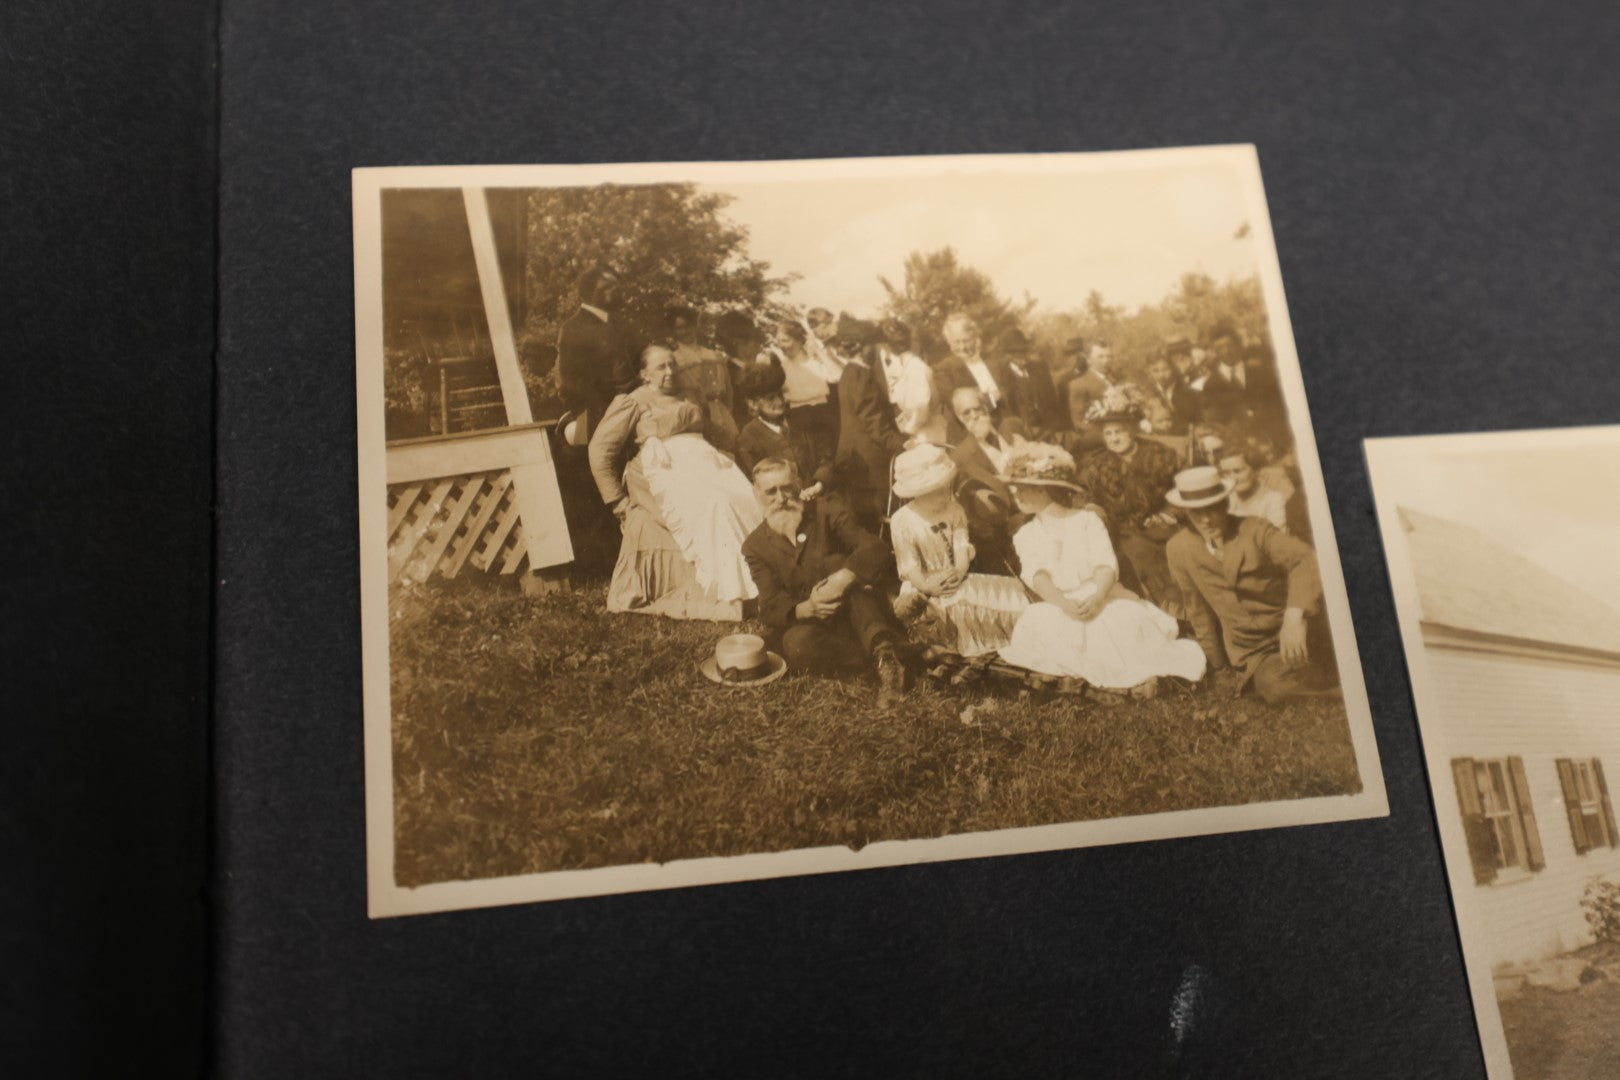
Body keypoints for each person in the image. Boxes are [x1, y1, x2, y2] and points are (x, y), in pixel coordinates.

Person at [996, 443, 1206, 693]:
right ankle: (1086, 677)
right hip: (1060, 603)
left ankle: (1127, 674)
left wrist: (1097, 597)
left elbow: (1104, 564)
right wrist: (1062, 603)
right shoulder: (1026, 533)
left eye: (1022, 489)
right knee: (1044, 628)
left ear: (1043, 490)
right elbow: (1037, 575)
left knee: (1117, 626)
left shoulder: (1085, 520)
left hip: (1101, 596)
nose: (1016, 495)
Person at [588, 345, 763, 620]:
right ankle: (731, 589)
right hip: (661, 471)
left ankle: (762, 585)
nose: (670, 372)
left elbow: (710, 432)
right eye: (661, 367)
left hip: (702, 463)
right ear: (644, 373)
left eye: (673, 366)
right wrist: (617, 500)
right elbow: (600, 449)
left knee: (747, 497)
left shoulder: (691, 395)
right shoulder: (634, 401)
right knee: (716, 504)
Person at [742, 457, 909, 707]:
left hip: (860, 611)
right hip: (818, 627)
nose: (781, 498)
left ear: (799, 483)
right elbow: (769, 604)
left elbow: (874, 547)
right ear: (756, 494)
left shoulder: (824, 510)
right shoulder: (755, 546)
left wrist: (845, 576)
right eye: (771, 491)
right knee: (795, 643)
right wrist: (807, 608)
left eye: (787, 487)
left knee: (835, 563)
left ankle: (887, 664)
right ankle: (900, 656)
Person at [1164, 467, 1339, 703]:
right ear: (1185, 511)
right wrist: (1217, 667)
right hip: (1253, 649)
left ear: (1225, 502)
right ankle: (1328, 681)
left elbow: (1305, 559)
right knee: (1274, 686)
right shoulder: (1178, 548)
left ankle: (1334, 677)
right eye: (1197, 512)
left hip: (1295, 629)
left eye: (1213, 508)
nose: (1206, 519)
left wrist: (1294, 617)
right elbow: (1197, 609)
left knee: (1323, 660)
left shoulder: (1254, 529)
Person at [887, 444, 1028, 657]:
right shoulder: (902, 520)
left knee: (1008, 592)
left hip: (955, 576)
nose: (946, 494)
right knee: (956, 603)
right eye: (937, 491)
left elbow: (961, 547)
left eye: (947, 487)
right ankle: (953, 638)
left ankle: (1027, 626)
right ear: (918, 494)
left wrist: (959, 572)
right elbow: (909, 565)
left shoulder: (954, 510)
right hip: (921, 586)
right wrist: (928, 585)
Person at [1077, 389, 1185, 618]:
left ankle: (1189, 606)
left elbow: (1183, 487)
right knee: (1137, 552)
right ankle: (1167, 613)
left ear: (1133, 430)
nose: (1114, 438)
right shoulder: (1098, 466)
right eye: (1109, 434)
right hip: (1124, 532)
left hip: (1166, 524)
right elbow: (1087, 497)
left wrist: (1168, 513)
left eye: (1120, 432)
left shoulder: (1160, 454)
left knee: (1179, 549)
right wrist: (1093, 510)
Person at [829, 316, 908, 529]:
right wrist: (904, 445)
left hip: (856, 460)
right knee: (887, 519)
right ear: (862, 347)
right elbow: (874, 424)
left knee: (872, 521)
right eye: (874, 345)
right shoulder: (861, 375)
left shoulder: (847, 374)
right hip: (871, 462)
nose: (878, 351)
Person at [948, 386, 1028, 574]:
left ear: (986, 407)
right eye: (966, 412)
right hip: (1008, 522)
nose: (974, 415)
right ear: (960, 418)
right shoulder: (961, 456)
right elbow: (965, 505)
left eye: (977, 408)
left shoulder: (1012, 427)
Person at [555, 266, 636, 439]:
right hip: (601, 419)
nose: (618, 290)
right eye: (610, 286)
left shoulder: (618, 323)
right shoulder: (573, 328)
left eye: (617, 285)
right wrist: (610, 414)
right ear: (592, 292)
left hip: (630, 408)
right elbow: (571, 383)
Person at [733, 362, 831, 498]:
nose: (779, 401)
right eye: (770, 398)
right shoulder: (747, 439)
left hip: (823, 495)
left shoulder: (803, 418)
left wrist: (819, 483)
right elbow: (756, 482)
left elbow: (826, 457)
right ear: (753, 403)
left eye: (780, 394)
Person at [757, 319, 841, 465]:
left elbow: (838, 376)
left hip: (824, 415)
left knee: (831, 461)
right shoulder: (779, 366)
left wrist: (818, 351)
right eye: (779, 341)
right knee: (806, 462)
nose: (781, 346)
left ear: (799, 339)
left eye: (786, 340)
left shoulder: (815, 361)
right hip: (797, 418)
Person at [666, 305, 738, 453]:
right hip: (695, 414)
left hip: (720, 412)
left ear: (695, 326)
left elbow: (728, 390)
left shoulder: (713, 355)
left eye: (688, 326)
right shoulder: (673, 359)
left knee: (728, 451)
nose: (684, 331)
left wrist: (727, 410)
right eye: (679, 328)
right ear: (673, 331)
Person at [932, 312, 1012, 437]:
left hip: (1006, 429)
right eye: (956, 342)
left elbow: (1009, 393)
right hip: (969, 437)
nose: (962, 347)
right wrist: (991, 398)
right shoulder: (943, 370)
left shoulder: (994, 362)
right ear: (949, 342)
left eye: (966, 341)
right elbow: (958, 406)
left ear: (975, 337)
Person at [875, 317, 949, 446]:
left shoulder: (915, 368)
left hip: (931, 435)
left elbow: (922, 410)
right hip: (920, 435)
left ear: (886, 347)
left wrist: (907, 432)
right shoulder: (904, 369)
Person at [995, 327, 1063, 437]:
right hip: (1023, 437)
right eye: (1016, 352)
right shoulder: (1002, 378)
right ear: (1007, 355)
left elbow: (1053, 403)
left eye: (1024, 351)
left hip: (1050, 431)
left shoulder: (1041, 369)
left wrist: (1054, 429)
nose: (1022, 356)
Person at [1056, 337, 1114, 453]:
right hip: (1098, 443)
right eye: (1101, 357)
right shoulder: (1079, 384)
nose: (1106, 360)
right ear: (1088, 359)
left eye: (1109, 356)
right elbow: (1080, 423)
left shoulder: (1115, 380)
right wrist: (1111, 435)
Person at [1217, 447, 1289, 531]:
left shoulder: (1273, 500)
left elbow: (1278, 539)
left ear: (1256, 471)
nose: (1233, 478)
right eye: (1226, 473)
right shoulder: (1226, 500)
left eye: (1238, 471)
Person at [1141, 347, 1200, 436]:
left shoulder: (1188, 392)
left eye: (1165, 369)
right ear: (1150, 371)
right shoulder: (1146, 393)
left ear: (1173, 368)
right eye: (1155, 370)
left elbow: (1195, 422)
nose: (1161, 375)